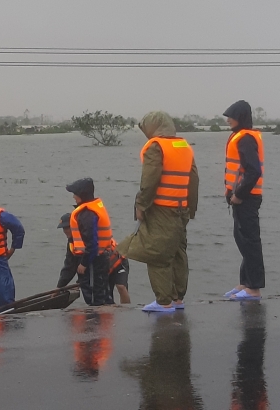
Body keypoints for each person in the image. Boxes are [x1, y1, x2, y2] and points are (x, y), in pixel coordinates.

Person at [119, 111, 199, 313]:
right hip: (181, 210)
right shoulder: (184, 146)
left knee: (157, 254)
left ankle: (163, 302)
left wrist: (141, 205)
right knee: (178, 253)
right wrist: (191, 209)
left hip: (161, 210)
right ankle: (177, 298)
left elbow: (149, 180)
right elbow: (194, 180)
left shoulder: (156, 147)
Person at [223, 100, 265, 301]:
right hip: (240, 198)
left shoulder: (246, 139)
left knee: (250, 241)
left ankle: (254, 288)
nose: (228, 120)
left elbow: (253, 171)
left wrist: (239, 194)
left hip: (246, 198)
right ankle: (245, 283)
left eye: (231, 116)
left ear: (240, 117)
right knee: (243, 240)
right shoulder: (241, 137)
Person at [56, 213, 131, 304]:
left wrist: (82, 280)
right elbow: (70, 267)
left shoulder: (89, 237)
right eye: (64, 228)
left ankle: (127, 311)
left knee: (121, 286)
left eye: (67, 227)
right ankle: (112, 315)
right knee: (106, 297)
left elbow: (91, 260)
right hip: (103, 271)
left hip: (118, 263)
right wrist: (60, 286)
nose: (65, 231)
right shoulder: (72, 244)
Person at [64, 178, 116, 306]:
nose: (73, 197)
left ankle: (95, 323)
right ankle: (104, 322)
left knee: (94, 295)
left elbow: (92, 243)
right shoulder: (94, 208)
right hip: (100, 258)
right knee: (102, 292)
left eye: (75, 194)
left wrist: (84, 263)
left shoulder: (87, 214)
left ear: (82, 195)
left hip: (94, 261)